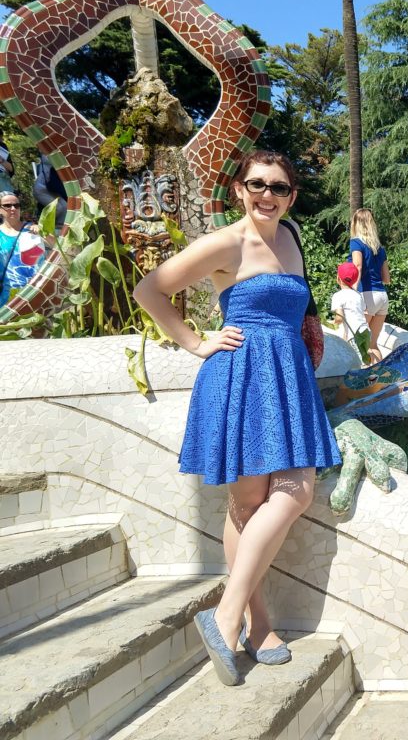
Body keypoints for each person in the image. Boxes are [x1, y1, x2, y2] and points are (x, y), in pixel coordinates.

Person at [133, 149, 341, 686]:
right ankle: (256, 621)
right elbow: (149, 289)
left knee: (292, 492)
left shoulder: (290, 235)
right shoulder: (227, 241)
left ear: (292, 196)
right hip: (243, 373)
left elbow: (299, 308)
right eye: (257, 185)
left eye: (279, 188)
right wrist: (195, 342)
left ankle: (228, 616)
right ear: (239, 189)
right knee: (249, 502)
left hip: (286, 375)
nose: (267, 196)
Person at [347, 208, 389, 361]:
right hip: (382, 296)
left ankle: (364, 383)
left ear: (356, 223)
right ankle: (382, 381)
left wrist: (352, 291)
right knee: (372, 345)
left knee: (360, 346)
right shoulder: (380, 248)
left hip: (366, 295)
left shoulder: (356, 243)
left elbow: (357, 266)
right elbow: (387, 278)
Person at [0, 191, 47, 304]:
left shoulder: (32, 230)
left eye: (16, 205)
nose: (13, 209)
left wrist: (44, 231)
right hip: (7, 296)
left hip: (36, 291)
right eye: (7, 205)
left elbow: (59, 246)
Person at [331, 261, 371, 364]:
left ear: (338, 278)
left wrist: (333, 323)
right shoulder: (357, 294)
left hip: (354, 334)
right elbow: (360, 312)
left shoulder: (338, 296)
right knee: (364, 357)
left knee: (357, 361)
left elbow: (339, 318)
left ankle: (363, 378)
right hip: (365, 330)